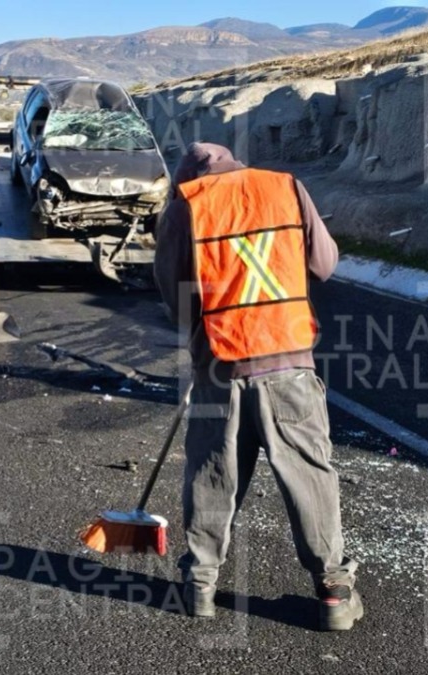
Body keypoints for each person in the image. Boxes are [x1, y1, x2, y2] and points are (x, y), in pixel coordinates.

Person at [154, 142, 362, 630]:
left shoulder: (187, 203)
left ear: (188, 176)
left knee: (212, 474)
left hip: (219, 369)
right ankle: (332, 589)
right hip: (289, 362)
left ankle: (200, 585)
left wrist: (200, 337)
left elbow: (175, 298)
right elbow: (325, 264)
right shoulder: (286, 186)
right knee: (310, 474)